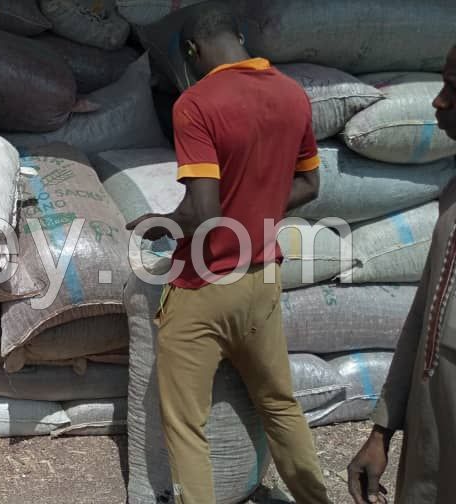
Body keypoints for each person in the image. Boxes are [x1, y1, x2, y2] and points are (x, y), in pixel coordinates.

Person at [125, 4, 332, 503]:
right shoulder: (292, 94)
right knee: (279, 404)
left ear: (192, 51)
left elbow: (201, 212)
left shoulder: (195, 105)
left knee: (186, 426)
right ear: (239, 36)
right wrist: (254, 208)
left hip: (202, 288)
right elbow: (310, 184)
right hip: (262, 281)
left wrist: (150, 225)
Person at [347, 45, 456, 504]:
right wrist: (383, 429)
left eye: (454, 88)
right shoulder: (452, 196)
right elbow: (425, 317)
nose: (438, 100)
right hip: (430, 459)